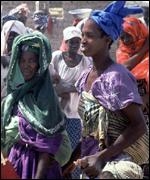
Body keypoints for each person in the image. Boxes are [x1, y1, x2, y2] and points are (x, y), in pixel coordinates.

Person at [72, 1, 149, 179]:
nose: (83, 40)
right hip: (93, 161)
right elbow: (90, 131)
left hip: (120, 161)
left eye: (89, 36)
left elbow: (139, 126)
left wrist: (101, 157)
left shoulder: (116, 77)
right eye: (83, 34)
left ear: (107, 40)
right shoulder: (84, 77)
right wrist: (69, 162)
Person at [1, 32, 72, 179]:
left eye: (32, 61)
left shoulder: (46, 97)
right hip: (15, 163)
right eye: (22, 60)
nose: (26, 65)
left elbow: (48, 144)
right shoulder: (16, 94)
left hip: (39, 169)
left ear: (40, 64)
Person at [49, 26, 91, 178]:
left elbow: (87, 84)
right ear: (65, 42)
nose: (74, 45)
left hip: (75, 114)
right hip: (56, 112)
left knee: (70, 151)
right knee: (54, 149)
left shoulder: (86, 61)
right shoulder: (56, 57)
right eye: (71, 42)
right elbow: (49, 75)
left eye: (77, 42)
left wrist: (68, 87)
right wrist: (59, 87)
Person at [116, 16, 149, 127]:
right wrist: (145, 48)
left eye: (128, 35)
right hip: (133, 105)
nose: (124, 40)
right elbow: (125, 67)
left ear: (137, 32)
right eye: (122, 36)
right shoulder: (122, 50)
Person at [1, 20, 27, 100]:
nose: (11, 37)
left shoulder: (27, 58)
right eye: (9, 34)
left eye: (15, 34)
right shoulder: (2, 59)